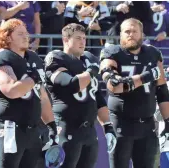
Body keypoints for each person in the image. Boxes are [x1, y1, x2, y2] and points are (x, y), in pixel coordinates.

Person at [99, 18, 169, 168]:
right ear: (120, 35)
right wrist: (146, 76)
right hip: (121, 124)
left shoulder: (153, 54)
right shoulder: (111, 52)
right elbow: (114, 85)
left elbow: (162, 91)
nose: (131, 34)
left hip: (147, 124)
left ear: (142, 34)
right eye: (127, 31)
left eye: (135, 31)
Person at [44, 23, 116, 168]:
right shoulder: (56, 57)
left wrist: (107, 126)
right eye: (78, 38)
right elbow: (71, 85)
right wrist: (90, 72)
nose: (82, 42)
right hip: (67, 128)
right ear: (65, 39)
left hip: (89, 131)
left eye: (84, 38)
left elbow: (96, 96)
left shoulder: (89, 59)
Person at [0, 18, 57, 168]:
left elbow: (42, 96)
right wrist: (34, 77)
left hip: (33, 129)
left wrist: (51, 125)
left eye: (26, 33)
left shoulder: (34, 58)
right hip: (10, 127)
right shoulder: (1, 56)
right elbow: (11, 90)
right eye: (20, 34)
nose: (26, 37)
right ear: (7, 37)